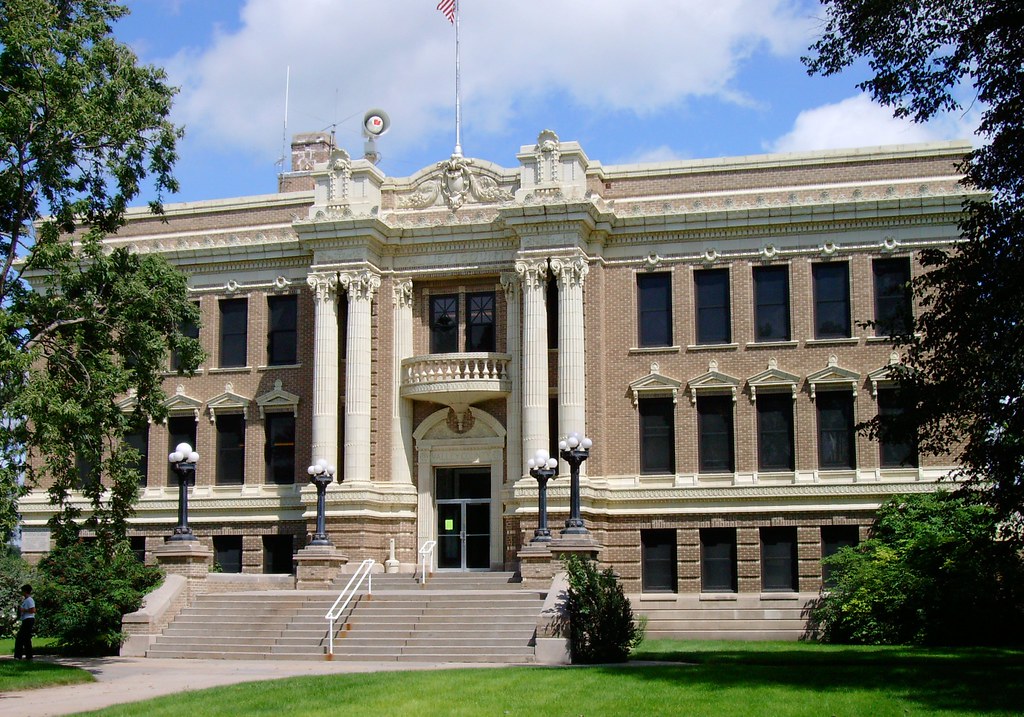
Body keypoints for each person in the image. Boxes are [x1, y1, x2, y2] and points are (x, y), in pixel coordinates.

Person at [14, 584, 35, 660]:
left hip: (28, 620)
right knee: (26, 638)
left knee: (20, 638)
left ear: (25, 591)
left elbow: (33, 610)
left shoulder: (29, 600)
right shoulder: (25, 600)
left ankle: (18, 656)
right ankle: (29, 656)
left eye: (22, 591)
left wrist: (24, 610)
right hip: (25, 619)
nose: (21, 593)